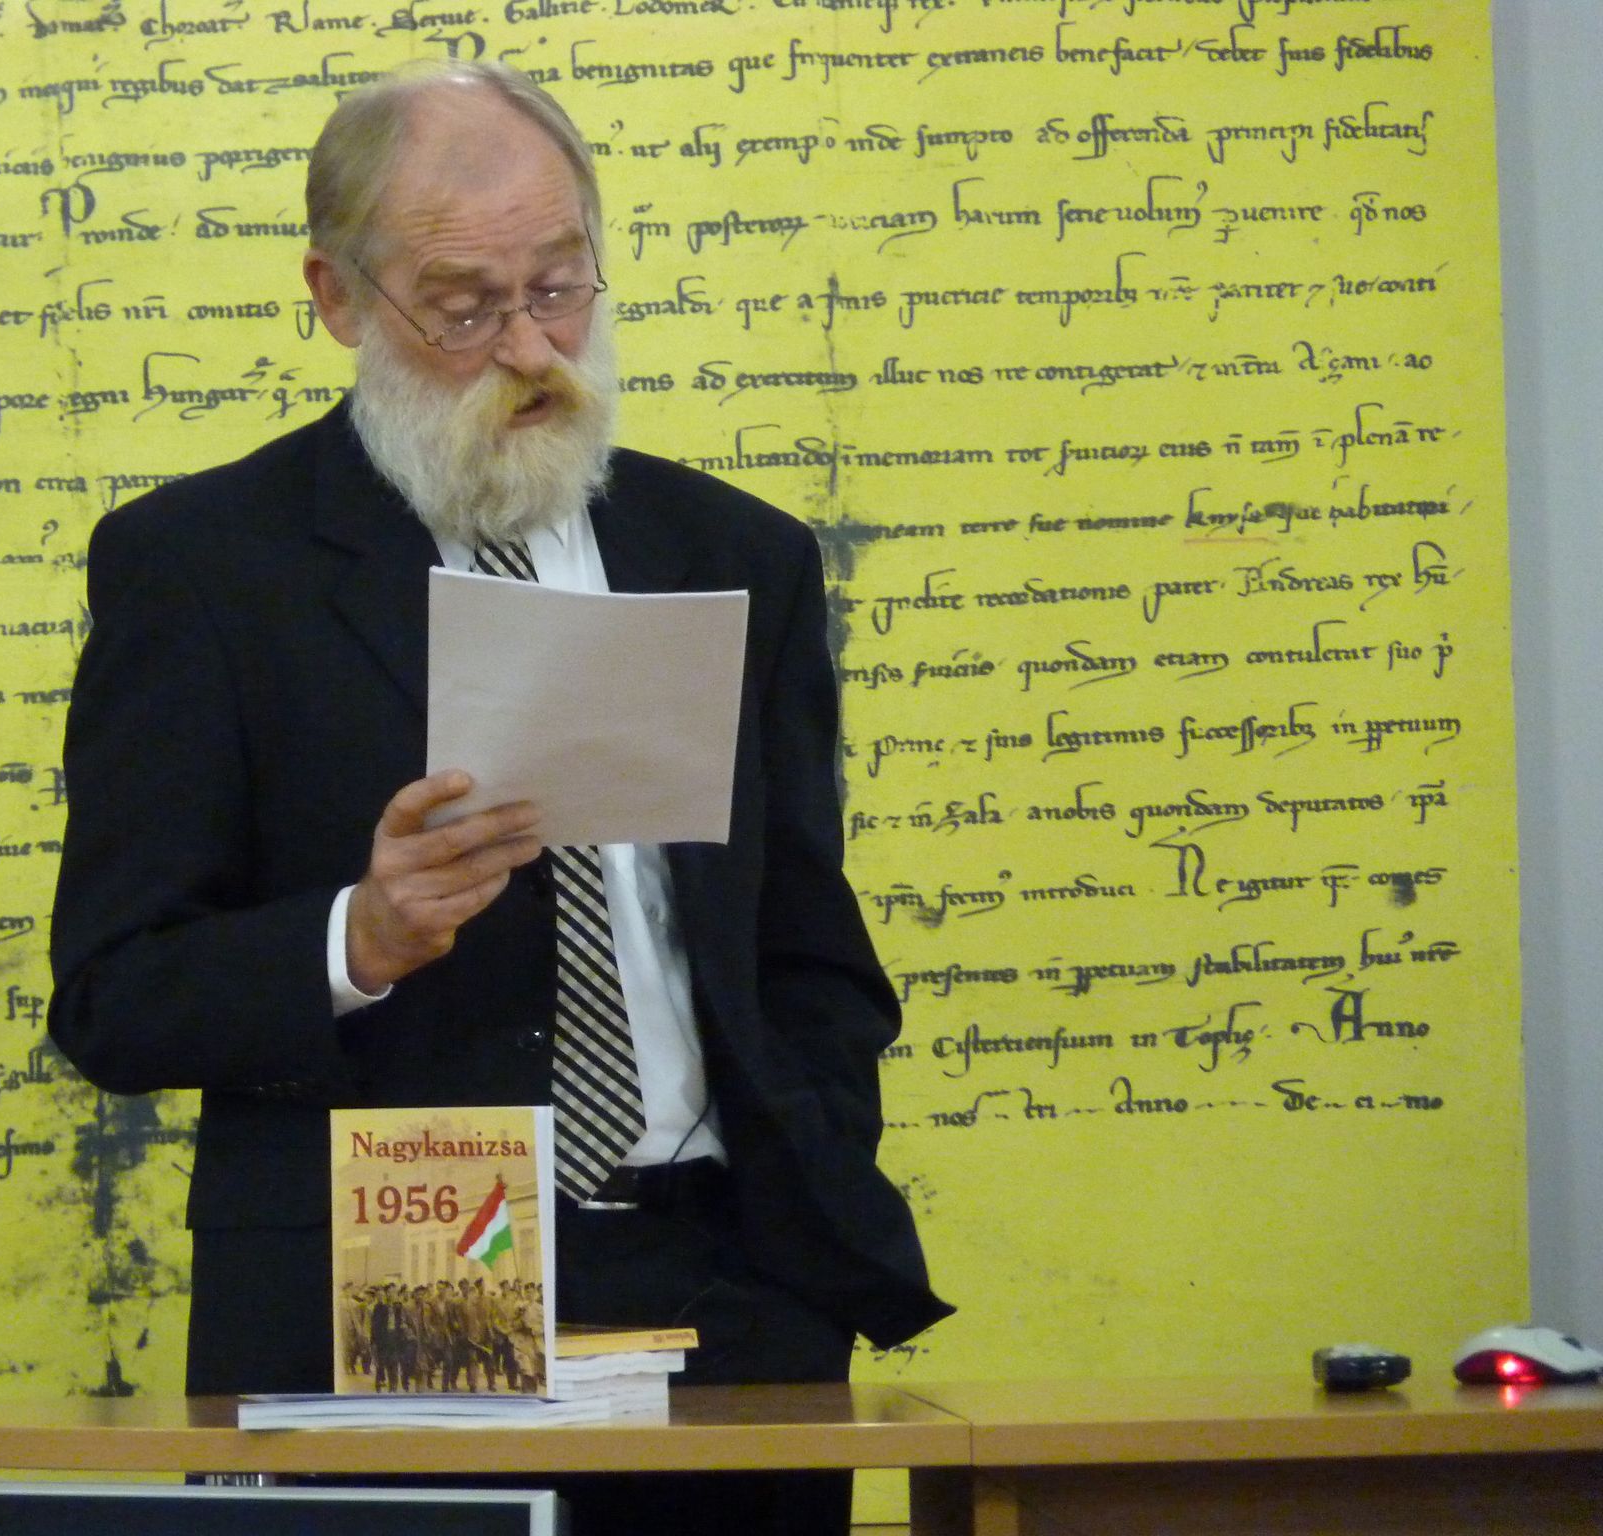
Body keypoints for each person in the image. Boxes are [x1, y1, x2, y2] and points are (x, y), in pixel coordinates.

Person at [48, 59, 951, 1534]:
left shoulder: (739, 555)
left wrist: (813, 1151)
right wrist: (356, 938)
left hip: (733, 1291)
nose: (530, 347)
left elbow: (806, 946)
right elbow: (112, 996)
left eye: (558, 285)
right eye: (463, 306)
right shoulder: (203, 570)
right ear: (339, 298)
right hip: (395, 1283)